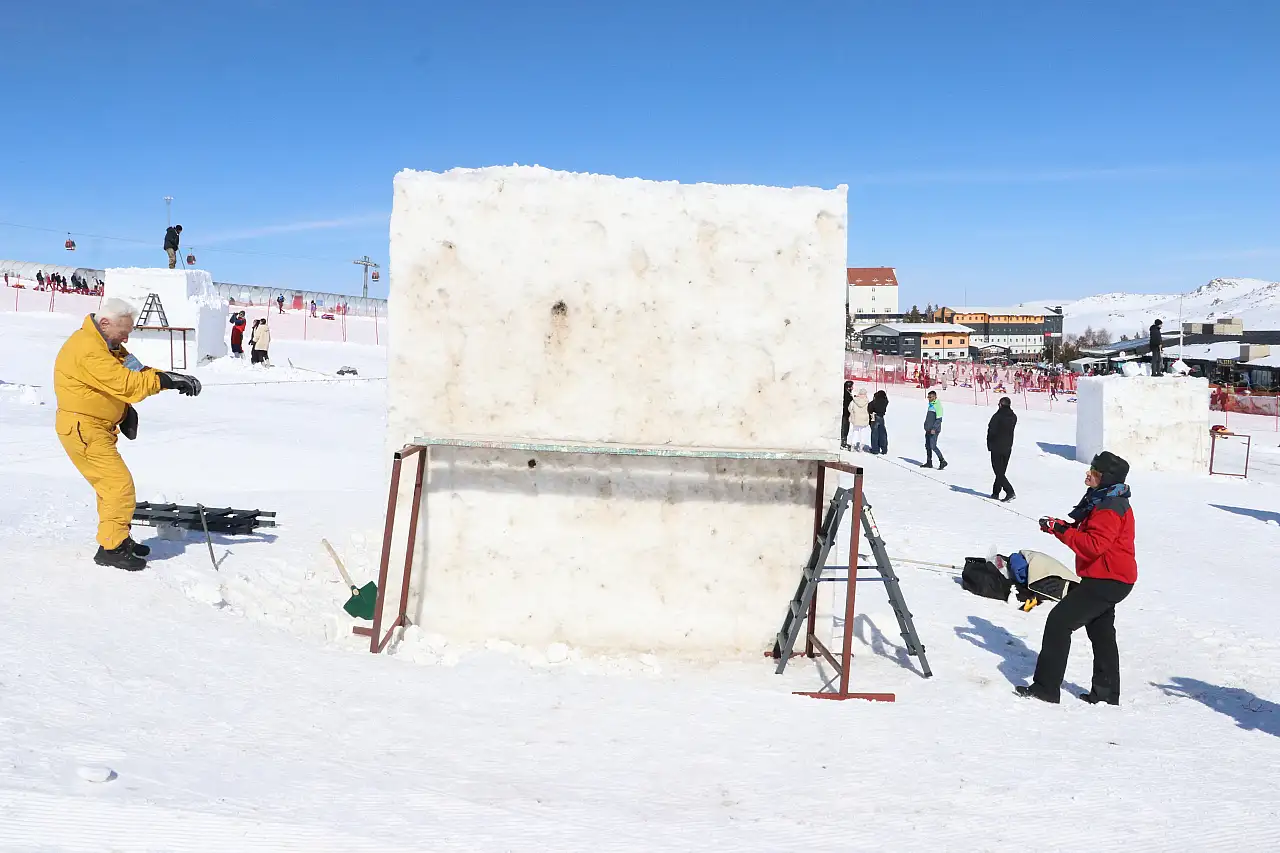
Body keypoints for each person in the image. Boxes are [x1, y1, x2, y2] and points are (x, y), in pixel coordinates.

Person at [53, 298, 202, 571]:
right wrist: (164, 382)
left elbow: (136, 371)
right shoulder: (87, 349)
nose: (127, 336)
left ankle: (117, 538)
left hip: (96, 428)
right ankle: (111, 549)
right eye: (124, 331)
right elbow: (127, 385)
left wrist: (170, 378)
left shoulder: (107, 345)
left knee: (110, 488)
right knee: (118, 486)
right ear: (105, 323)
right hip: (83, 429)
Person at [1017, 451, 1137, 705]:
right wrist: (1058, 527)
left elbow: (1093, 546)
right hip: (1109, 578)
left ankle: (1045, 688)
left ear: (1105, 478)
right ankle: (1105, 695)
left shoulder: (1110, 506)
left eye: (1093, 471)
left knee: (1059, 622)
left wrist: (1061, 530)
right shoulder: (1105, 498)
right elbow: (1088, 536)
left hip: (1108, 579)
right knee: (1101, 632)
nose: (1088, 474)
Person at [986, 396, 1017, 501]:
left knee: (998, 471)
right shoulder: (1013, 416)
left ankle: (1010, 491)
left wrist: (989, 444)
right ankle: (995, 492)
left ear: (1001, 404)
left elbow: (991, 431)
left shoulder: (997, 416)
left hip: (997, 446)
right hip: (1008, 446)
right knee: (1001, 471)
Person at [922, 390, 947, 469]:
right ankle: (929, 462)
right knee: (928, 446)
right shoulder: (931, 405)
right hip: (928, 429)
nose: (929, 398)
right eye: (928, 397)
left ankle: (942, 461)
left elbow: (939, 419)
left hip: (934, 430)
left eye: (931, 397)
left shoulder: (937, 406)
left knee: (933, 446)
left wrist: (934, 428)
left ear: (935, 397)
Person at [847, 388, 870, 452]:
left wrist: (852, 413)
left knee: (855, 432)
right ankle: (861, 446)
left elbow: (849, 408)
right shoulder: (867, 401)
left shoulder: (854, 400)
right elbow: (870, 409)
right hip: (864, 419)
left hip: (856, 418)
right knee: (862, 432)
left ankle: (853, 445)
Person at [867, 389, 889, 455]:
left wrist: (874, 398)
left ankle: (875, 449)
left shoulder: (874, 402)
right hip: (881, 418)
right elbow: (886, 400)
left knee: (875, 434)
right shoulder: (885, 401)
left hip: (875, 417)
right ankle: (884, 449)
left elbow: (870, 408)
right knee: (882, 434)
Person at [840, 380, 853, 450]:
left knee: (845, 428)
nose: (852, 388)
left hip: (846, 414)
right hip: (845, 414)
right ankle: (843, 442)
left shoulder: (847, 393)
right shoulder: (846, 395)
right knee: (845, 428)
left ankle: (844, 441)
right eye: (851, 387)